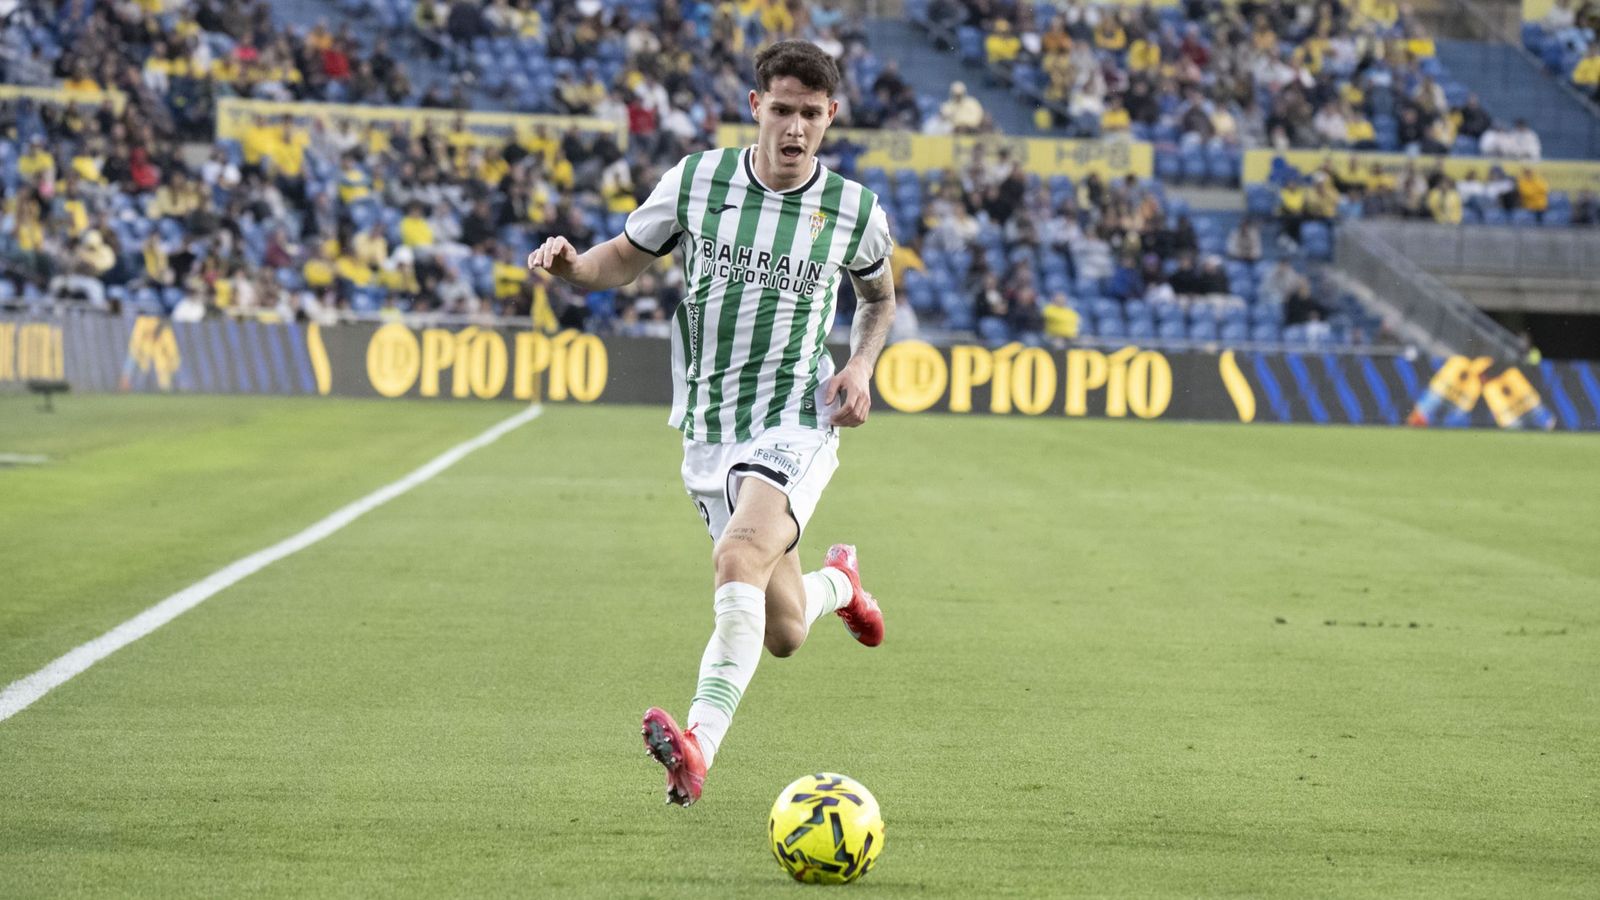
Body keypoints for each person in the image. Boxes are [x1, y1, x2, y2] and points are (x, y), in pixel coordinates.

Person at [527, 41, 892, 809]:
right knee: (784, 628)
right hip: (708, 428)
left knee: (739, 556)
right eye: (783, 110)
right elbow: (624, 258)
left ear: (832, 117)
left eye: (812, 115)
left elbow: (878, 299)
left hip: (798, 417)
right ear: (757, 108)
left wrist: (858, 368)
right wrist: (571, 268)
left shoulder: (854, 210)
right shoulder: (697, 182)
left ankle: (698, 746)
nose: (796, 129)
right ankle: (841, 583)